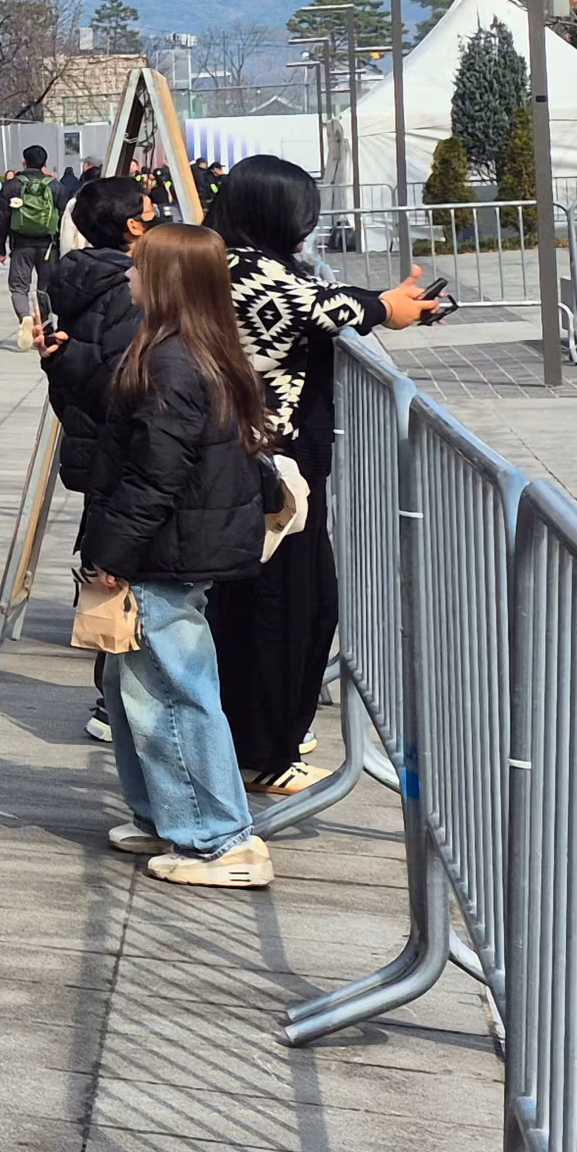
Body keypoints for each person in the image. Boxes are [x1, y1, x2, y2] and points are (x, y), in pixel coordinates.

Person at [199, 156, 440, 794]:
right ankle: (262, 750)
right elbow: (321, 308)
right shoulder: (240, 265)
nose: (308, 227)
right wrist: (385, 308)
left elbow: (321, 304)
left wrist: (386, 307)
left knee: (294, 604)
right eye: (301, 214)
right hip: (267, 461)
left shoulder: (233, 256)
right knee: (281, 607)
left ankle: (264, 739)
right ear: (272, 212)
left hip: (272, 460)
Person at [80, 223, 286, 886]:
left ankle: (219, 836)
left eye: (138, 269)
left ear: (165, 282)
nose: (128, 278)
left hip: (166, 551)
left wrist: (113, 549)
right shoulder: (195, 349)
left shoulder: (170, 361)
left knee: (170, 691)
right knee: (136, 684)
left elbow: (154, 474)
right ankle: (168, 816)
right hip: (177, 545)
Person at [38, 175, 154, 746]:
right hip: (116, 441)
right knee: (120, 567)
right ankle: (114, 700)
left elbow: (70, 363)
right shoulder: (126, 287)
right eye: (151, 210)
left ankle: (114, 694)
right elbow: (122, 378)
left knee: (104, 553)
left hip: (84, 433)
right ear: (133, 226)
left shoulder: (70, 277)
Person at [0, 147, 59, 337]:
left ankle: (25, 317)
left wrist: (0, 248)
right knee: (46, 289)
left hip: (21, 245)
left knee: (18, 287)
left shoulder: (11, 186)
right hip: (48, 246)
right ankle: (46, 329)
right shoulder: (56, 187)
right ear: (45, 163)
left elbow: (2, 219)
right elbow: (65, 219)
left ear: (25, 162)